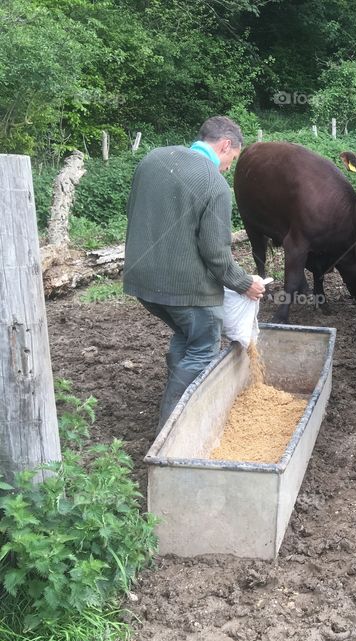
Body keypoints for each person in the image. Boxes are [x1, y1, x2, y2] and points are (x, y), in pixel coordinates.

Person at [124, 116, 265, 432]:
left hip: (141, 282)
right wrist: (245, 284)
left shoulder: (153, 160)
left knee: (189, 336)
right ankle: (174, 429)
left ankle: (177, 389)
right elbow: (216, 253)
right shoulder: (213, 183)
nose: (228, 166)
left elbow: (135, 211)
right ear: (225, 145)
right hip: (183, 288)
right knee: (203, 348)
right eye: (232, 158)